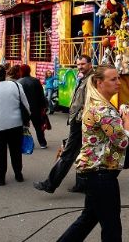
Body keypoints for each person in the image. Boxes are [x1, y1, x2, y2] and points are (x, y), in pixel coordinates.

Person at [57, 64, 129, 242]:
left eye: (118, 78)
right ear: (100, 83)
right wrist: (128, 121)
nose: (118, 83)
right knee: (111, 226)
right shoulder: (102, 109)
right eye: (113, 79)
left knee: (89, 218)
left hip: (95, 172)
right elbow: (122, 141)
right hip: (101, 173)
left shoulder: (98, 105)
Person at [34, 55, 94, 194]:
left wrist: (79, 118)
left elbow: (89, 102)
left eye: (83, 64)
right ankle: (81, 184)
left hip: (81, 121)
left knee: (68, 153)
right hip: (78, 120)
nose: (80, 67)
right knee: (81, 152)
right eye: (78, 64)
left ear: (90, 64)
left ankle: (50, 184)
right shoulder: (83, 78)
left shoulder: (91, 79)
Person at [0, 65, 30, 185]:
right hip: (16, 123)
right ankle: (18, 174)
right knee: (16, 149)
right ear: (5, 74)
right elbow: (25, 104)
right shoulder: (16, 85)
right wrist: (27, 119)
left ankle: (1, 178)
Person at [18, 64, 48, 148]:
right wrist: (44, 107)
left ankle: (24, 143)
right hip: (36, 108)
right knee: (38, 126)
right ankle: (42, 143)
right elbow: (41, 95)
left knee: (23, 127)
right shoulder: (35, 81)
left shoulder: (19, 82)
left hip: (24, 109)